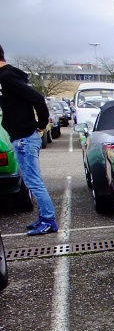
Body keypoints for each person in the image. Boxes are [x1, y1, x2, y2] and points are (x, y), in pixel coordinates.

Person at [0, 44, 58, 235]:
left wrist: (41, 123)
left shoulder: (7, 77)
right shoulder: (9, 77)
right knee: (31, 180)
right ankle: (43, 217)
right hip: (21, 136)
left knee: (34, 182)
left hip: (24, 137)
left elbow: (38, 98)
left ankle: (49, 220)